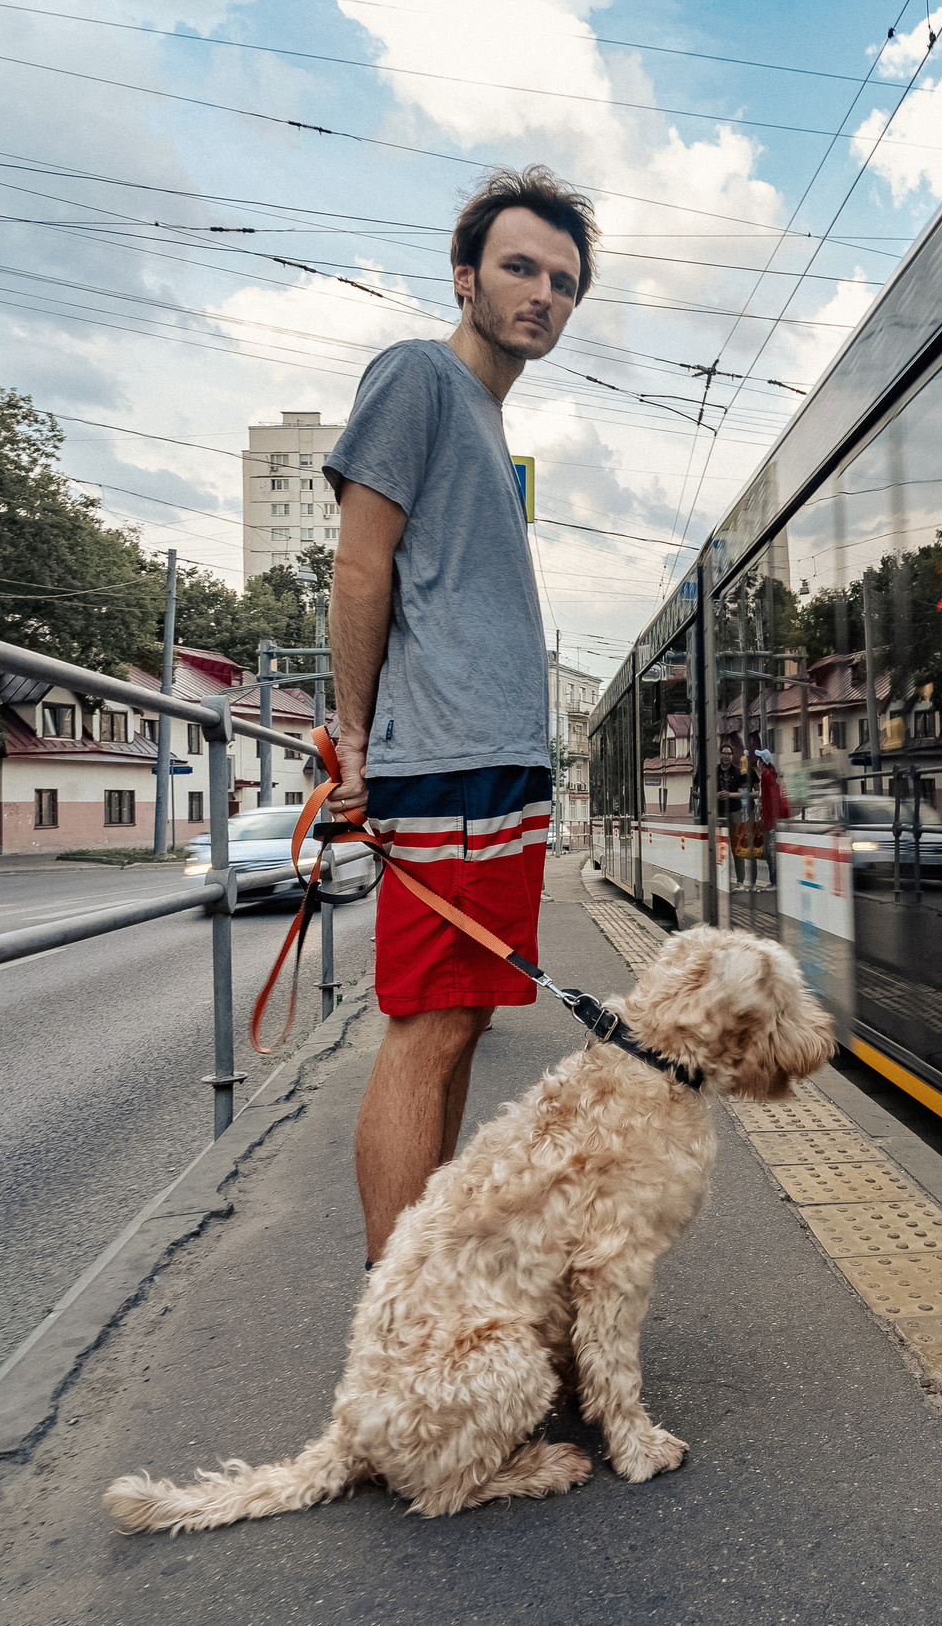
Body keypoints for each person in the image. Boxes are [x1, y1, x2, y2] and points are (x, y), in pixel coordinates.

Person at [321, 166, 595, 1266]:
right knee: (428, 1031)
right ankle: (403, 1333)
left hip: (496, 770)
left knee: (467, 1021)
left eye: (564, 281)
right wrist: (350, 736)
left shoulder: (483, 416)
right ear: (465, 276)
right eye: (520, 267)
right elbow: (358, 564)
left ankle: (430, 1288)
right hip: (446, 767)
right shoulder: (419, 377)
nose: (542, 293)